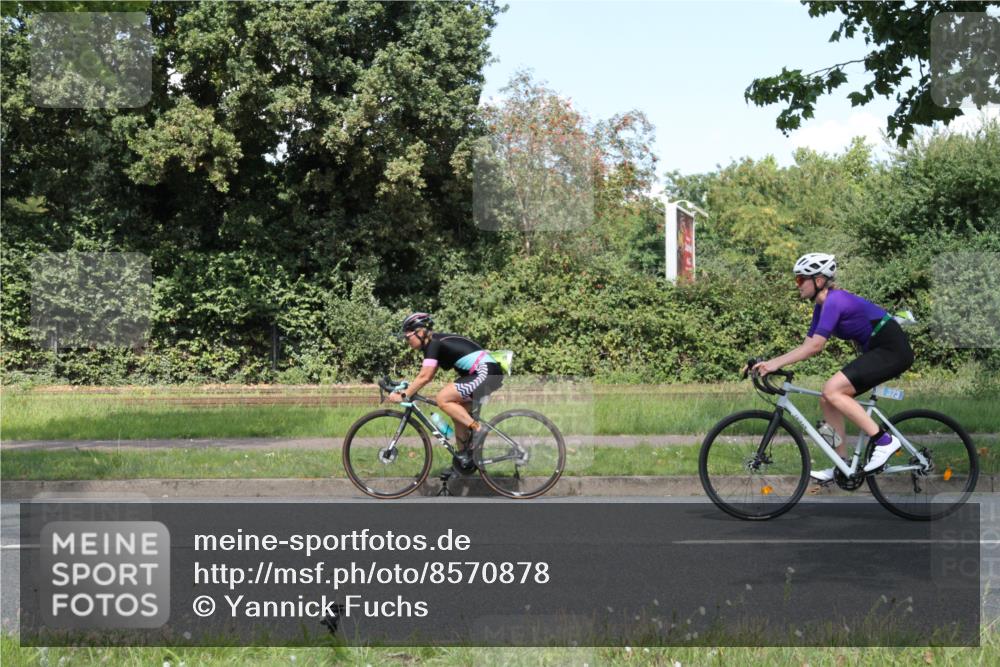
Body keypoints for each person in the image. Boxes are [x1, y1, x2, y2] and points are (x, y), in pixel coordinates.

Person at [753, 253, 914, 482]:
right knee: (827, 399)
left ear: (818, 280)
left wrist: (774, 364)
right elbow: (807, 345)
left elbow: (816, 347)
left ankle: (885, 441)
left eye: (800, 280)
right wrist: (771, 362)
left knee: (832, 389)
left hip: (891, 349)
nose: (796, 285)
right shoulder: (821, 307)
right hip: (877, 350)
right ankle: (841, 463)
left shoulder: (835, 301)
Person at [388, 312, 504, 477]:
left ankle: (479, 429)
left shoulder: (434, 343)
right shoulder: (432, 344)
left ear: (420, 332)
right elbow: (427, 375)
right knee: (458, 414)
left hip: (485, 372)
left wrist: (404, 395)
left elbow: (425, 377)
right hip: (484, 373)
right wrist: (408, 389)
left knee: (442, 399)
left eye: (408, 337)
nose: (407, 341)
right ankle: (463, 462)